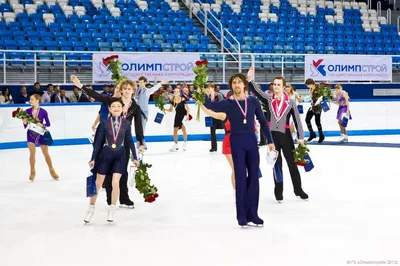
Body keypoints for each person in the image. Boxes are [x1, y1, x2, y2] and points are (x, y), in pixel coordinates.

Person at [202, 73, 274, 227]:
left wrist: (270, 141)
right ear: (231, 86)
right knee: (240, 177)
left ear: (244, 85)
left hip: (251, 141)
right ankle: (242, 215)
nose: (236, 85)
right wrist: (204, 95)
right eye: (234, 82)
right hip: (236, 142)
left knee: (253, 177)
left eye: (239, 82)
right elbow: (211, 107)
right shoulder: (228, 103)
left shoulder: (253, 101)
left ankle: (253, 214)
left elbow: (262, 120)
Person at [71, 75, 144, 208]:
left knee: (123, 171)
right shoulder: (113, 101)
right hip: (108, 140)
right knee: (109, 171)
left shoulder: (135, 107)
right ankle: (110, 198)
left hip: (124, 142)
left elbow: (138, 126)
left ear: (133, 90)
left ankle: (124, 198)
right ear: (121, 90)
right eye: (125, 88)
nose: (127, 91)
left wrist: (141, 142)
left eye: (129, 88)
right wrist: (80, 86)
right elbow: (97, 96)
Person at [247, 67, 308, 202]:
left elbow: (297, 121)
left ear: (284, 87)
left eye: (278, 85)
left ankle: (298, 189)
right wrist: (250, 79)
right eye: (274, 84)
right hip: (272, 136)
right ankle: (278, 191)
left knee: (292, 164)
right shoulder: (269, 100)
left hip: (286, 135)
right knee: (276, 164)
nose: (275, 87)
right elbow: (257, 92)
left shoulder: (290, 102)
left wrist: (301, 138)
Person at [84, 98, 140, 224]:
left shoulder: (126, 123)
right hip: (105, 155)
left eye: (118, 106)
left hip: (120, 156)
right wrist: (93, 158)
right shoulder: (104, 123)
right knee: (98, 183)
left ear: (122, 109)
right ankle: (91, 208)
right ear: (109, 109)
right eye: (113, 106)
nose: (116, 108)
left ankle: (112, 208)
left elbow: (130, 140)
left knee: (116, 182)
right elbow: (98, 142)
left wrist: (135, 157)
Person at [22, 94, 58, 181]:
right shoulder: (27, 111)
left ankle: (51, 169)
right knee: (32, 153)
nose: (30, 101)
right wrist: (24, 121)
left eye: (32, 99)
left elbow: (48, 124)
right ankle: (32, 170)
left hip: (41, 133)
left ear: (37, 100)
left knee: (46, 154)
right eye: (30, 99)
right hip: (31, 133)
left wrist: (42, 124)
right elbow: (25, 125)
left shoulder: (43, 111)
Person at [135, 76, 166, 149]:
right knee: (137, 129)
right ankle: (140, 143)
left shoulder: (147, 91)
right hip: (136, 112)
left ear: (145, 83)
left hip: (143, 112)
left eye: (141, 82)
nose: (140, 84)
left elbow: (153, 89)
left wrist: (159, 83)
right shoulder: (136, 90)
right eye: (139, 82)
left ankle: (142, 144)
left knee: (142, 129)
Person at [165, 87, 190, 152]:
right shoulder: (172, 100)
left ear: (179, 93)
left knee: (184, 130)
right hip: (177, 116)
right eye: (175, 91)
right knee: (175, 130)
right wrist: (164, 109)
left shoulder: (182, 99)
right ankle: (176, 144)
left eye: (177, 91)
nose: (176, 92)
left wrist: (187, 116)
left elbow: (188, 108)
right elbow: (170, 110)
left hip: (183, 116)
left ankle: (185, 143)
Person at [305, 78, 325, 143]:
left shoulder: (318, 88)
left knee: (317, 121)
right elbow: (311, 97)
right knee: (307, 119)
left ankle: (321, 135)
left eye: (308, 85)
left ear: (311, 83)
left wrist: (318, 101)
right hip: (312, 106)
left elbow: (322, 97)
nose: (307, 86)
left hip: (318, 107)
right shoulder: (311, 89)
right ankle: (312, 133)